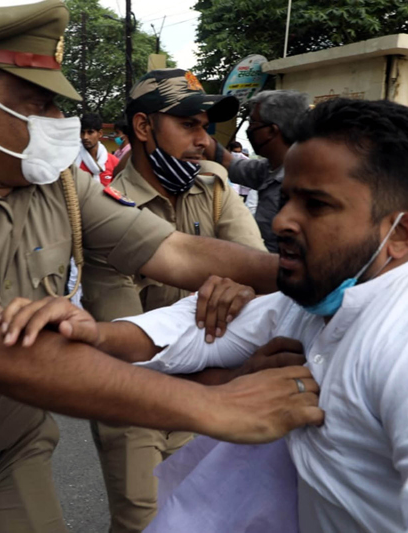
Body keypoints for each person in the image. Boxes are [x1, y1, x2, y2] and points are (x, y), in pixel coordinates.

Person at [0, 3, 322, 531]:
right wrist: (218, 406)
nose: (60, 123)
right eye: (41, 104)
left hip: (9, 456)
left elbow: (174, 252)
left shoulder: (57, 185)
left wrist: (311, 274)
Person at [6, 98, 408, 532]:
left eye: (316, 205)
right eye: (286, 197)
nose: (283, 220)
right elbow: (181, 334)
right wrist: (93, 332)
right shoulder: (308, 302)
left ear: (403, 234)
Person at [80, 68, 266, 533]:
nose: (203, 139)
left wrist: (243, 286)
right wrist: (225, 288)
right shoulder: (109, 209)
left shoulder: (214, 187)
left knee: (205, 517)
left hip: (210, 388)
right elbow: (128, 336)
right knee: (143, 520)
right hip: (132, 397)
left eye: (205, 126)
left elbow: (258, 276)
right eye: (188, 125)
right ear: (143, 128)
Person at [206, 90, 308, 253]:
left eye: (253, 123)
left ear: (272, 131)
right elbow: (230, 164)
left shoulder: (304, 182)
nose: (249, 129)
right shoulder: (268, 169)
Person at [77, 112, 119, 187]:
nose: (85, 137)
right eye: (82, 132)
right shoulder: (74, 162)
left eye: (90, 132)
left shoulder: (114, 162)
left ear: (100, 133)